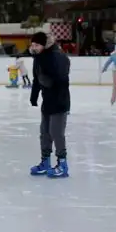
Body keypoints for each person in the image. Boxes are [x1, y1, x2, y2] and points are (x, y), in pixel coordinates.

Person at [28, 32, 72, 178]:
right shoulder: (39, 58)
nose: (33, 48)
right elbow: (36, 78)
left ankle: (62, 164)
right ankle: (45, 162)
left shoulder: (58, 56)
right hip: (47, 100)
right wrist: (34, 96)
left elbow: (61, 78)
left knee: (56, 133)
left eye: (36, 45)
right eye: (32, 45)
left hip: (59, 101)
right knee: (44, 133)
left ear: (44, 45)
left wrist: (50, 82)